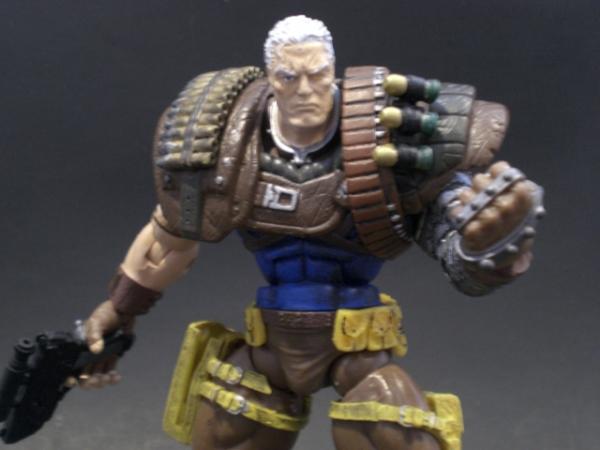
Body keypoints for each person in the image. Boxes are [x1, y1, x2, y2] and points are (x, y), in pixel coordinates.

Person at [79, 15, 544, 450]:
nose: (304, 89)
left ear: (332, 70)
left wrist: (488, 247)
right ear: (270, 76)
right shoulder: (227, 138)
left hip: (358, 350)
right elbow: (168, 241)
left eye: (317, 74)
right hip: (267, 349)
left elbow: (452, 237)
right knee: (224, 432)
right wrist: (120, 309)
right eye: (288, 77)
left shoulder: (390, 135)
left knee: (392, 430)